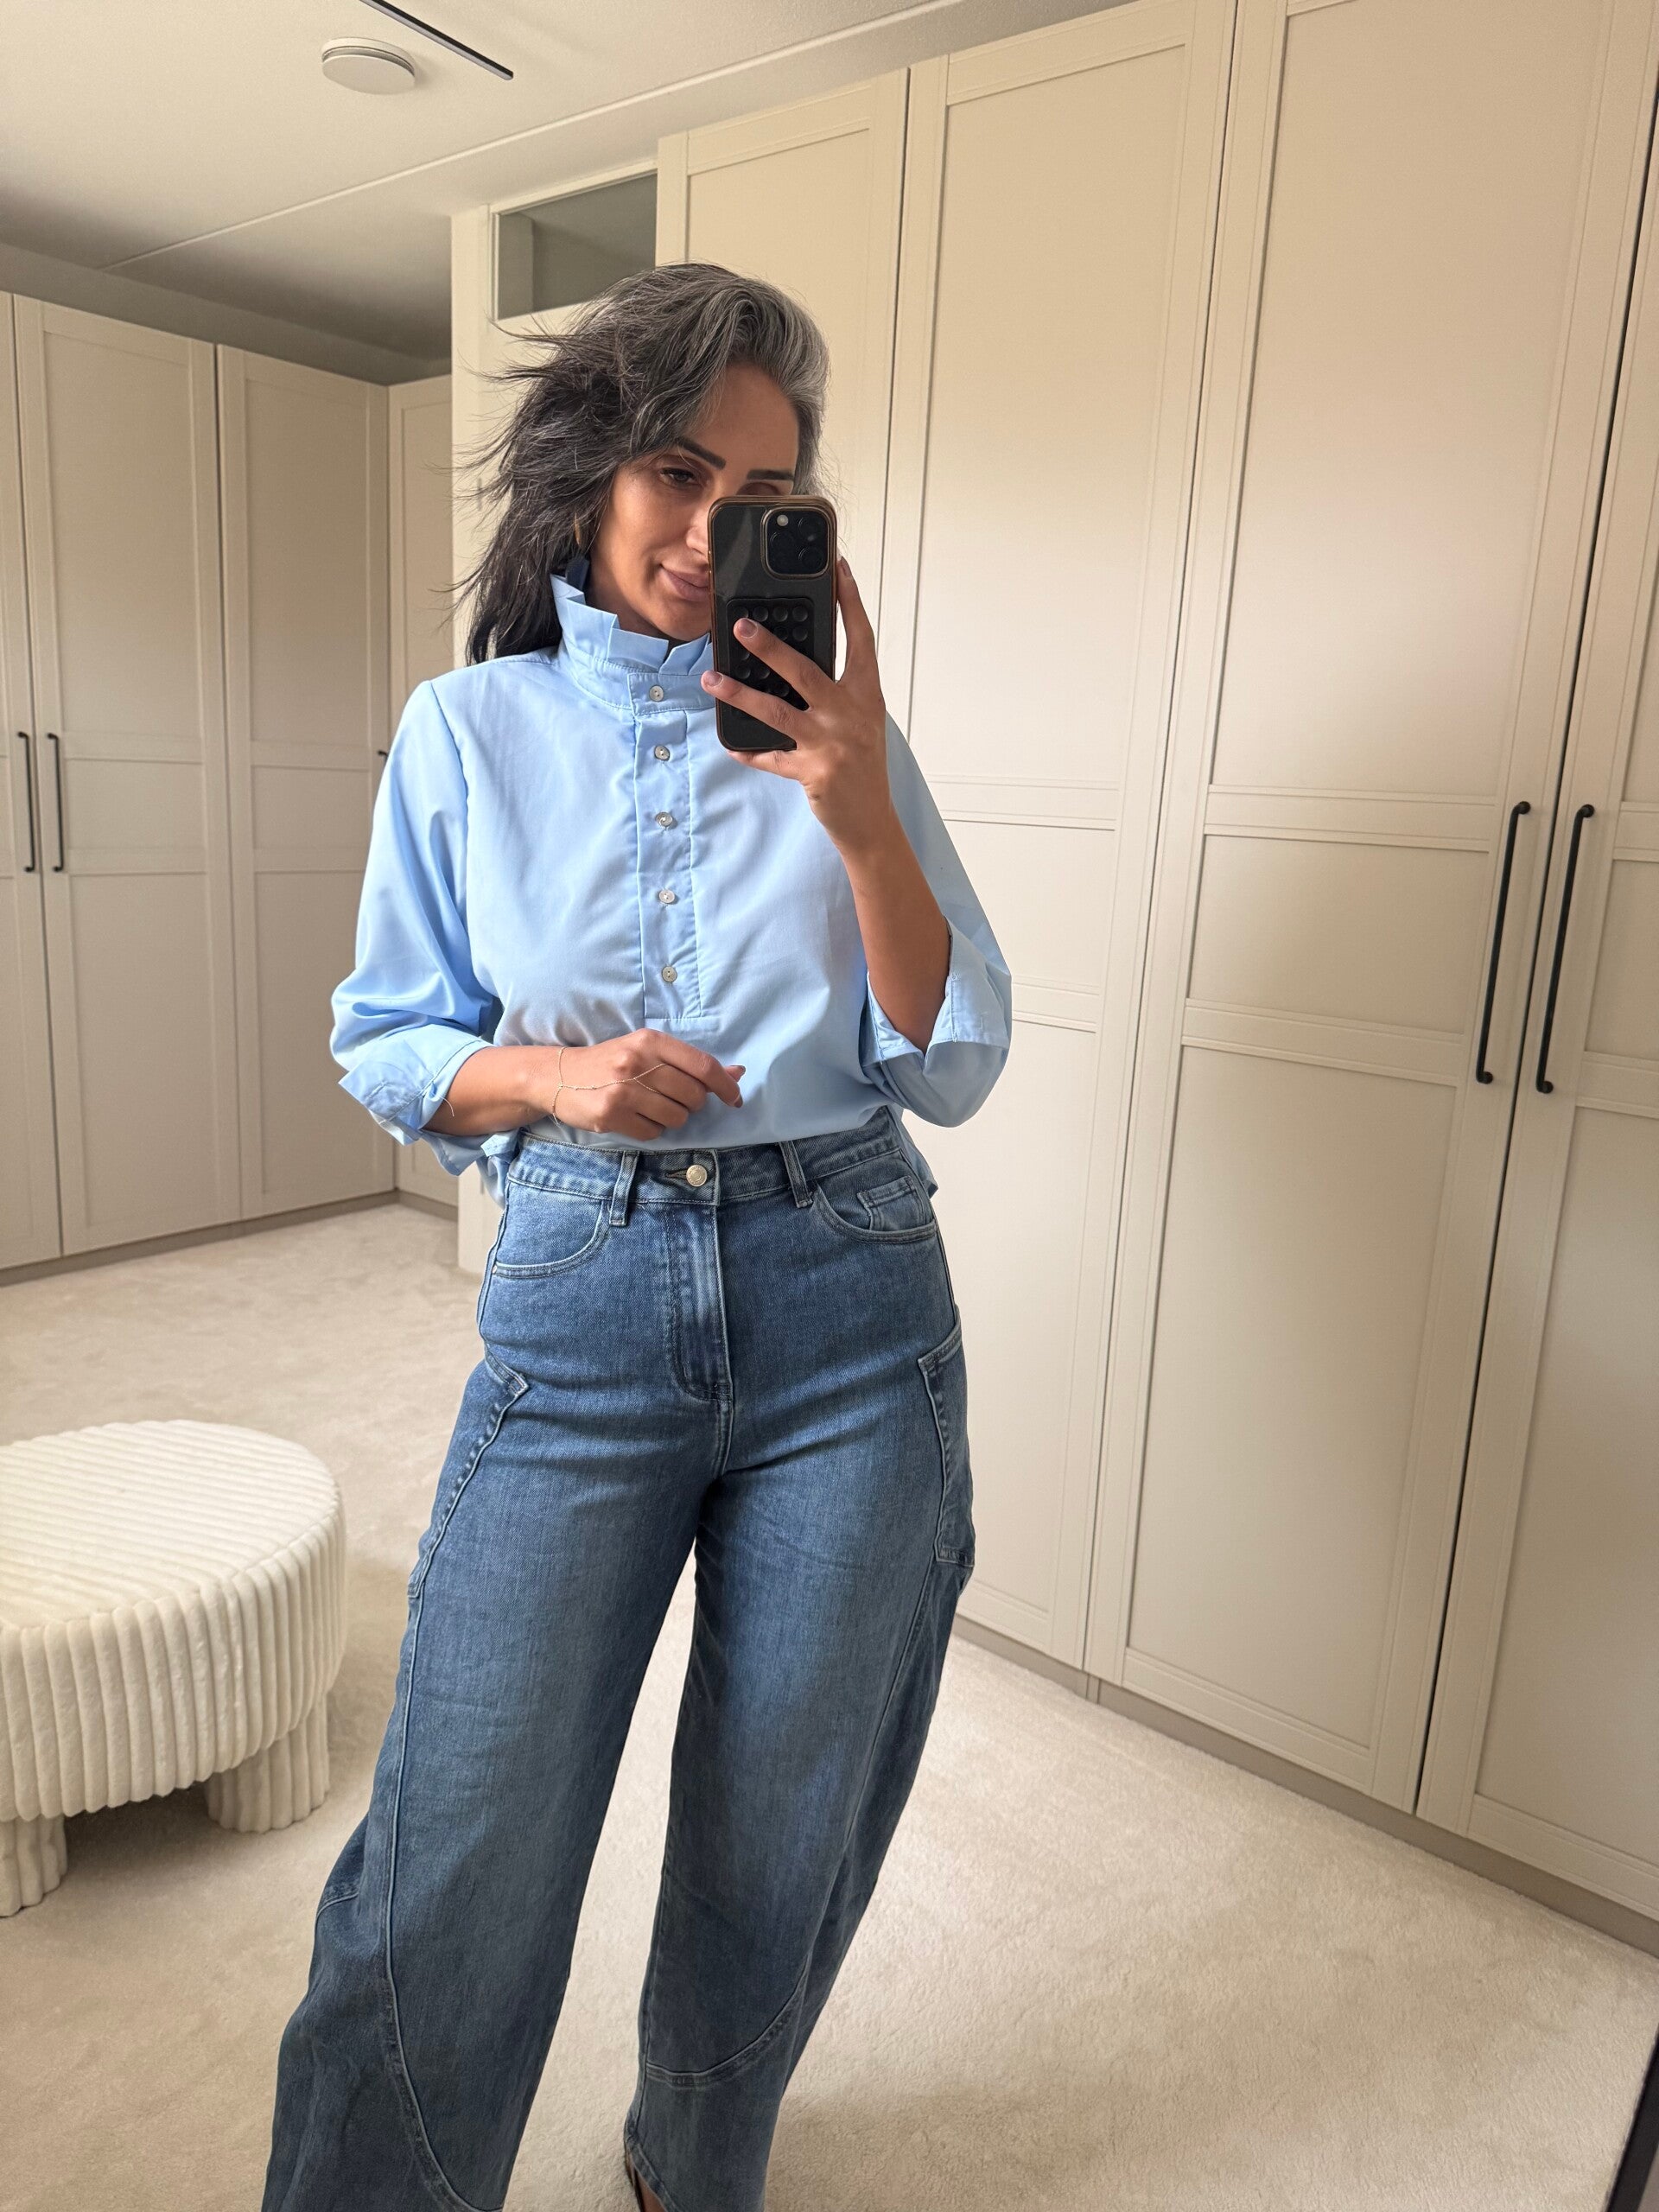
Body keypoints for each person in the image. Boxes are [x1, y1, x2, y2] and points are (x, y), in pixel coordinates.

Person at [261, 261, 1013, 2212]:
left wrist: (861, 812)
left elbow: (951, 1057)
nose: (705, 532)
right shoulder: (467, 729)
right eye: (679, 472)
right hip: (582, 1298)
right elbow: (386, 1036)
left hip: (853, 1309)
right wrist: (555, 1080)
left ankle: (696, 2160)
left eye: (761, 495)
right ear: (591, 475)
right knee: (460, 1840)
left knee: (784, 1832)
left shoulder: (846, 739)